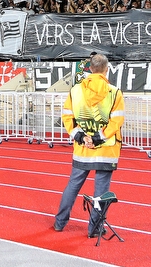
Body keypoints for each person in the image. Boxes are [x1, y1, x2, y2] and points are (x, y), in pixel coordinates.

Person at [53, 52, 125, 237]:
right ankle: (95, 229)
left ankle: (60, 223)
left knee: (73, 186)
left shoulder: (75, 91)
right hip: (106, 150)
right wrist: (98, 138)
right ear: (106, 70)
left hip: (82, 149)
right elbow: (116, 122)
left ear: (90, 69)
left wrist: (81, 137)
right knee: (101, 193)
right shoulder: (114, 92)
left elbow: (67, 117)